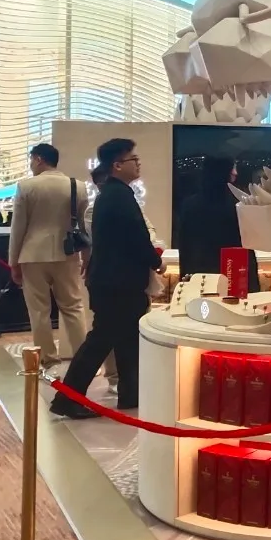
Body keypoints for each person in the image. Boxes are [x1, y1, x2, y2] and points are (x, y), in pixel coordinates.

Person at [52, 138, 161, 418]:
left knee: (126, 340)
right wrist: (155, 260)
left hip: (114, 281)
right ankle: (68, 398)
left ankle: (131, 394)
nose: (138, 164)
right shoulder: (118, 196)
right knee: (101, 340)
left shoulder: (114, 194)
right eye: (133, 159)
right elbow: (136, 238)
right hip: (118, 284)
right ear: (117, 165)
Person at [8, 143, 87, 365]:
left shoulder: (26, 186)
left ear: (39, 159)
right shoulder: (78, 186)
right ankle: (84, 361)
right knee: (73, 307)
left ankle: (48, 359)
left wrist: (13, 261)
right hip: (68, 254)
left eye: (31, 159)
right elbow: (84, 226)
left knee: (39, 311)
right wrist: (87, 255)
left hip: (32, 255)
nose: (31, 164)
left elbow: (18, 227)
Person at [175, 156, 257, 289]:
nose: (236, 173)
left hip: (200, 273)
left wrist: (186, 277)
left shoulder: (190, 205)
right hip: (234, 271)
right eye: (232, 168)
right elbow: (247, 243)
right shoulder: (238, 205)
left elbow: (185, 245)